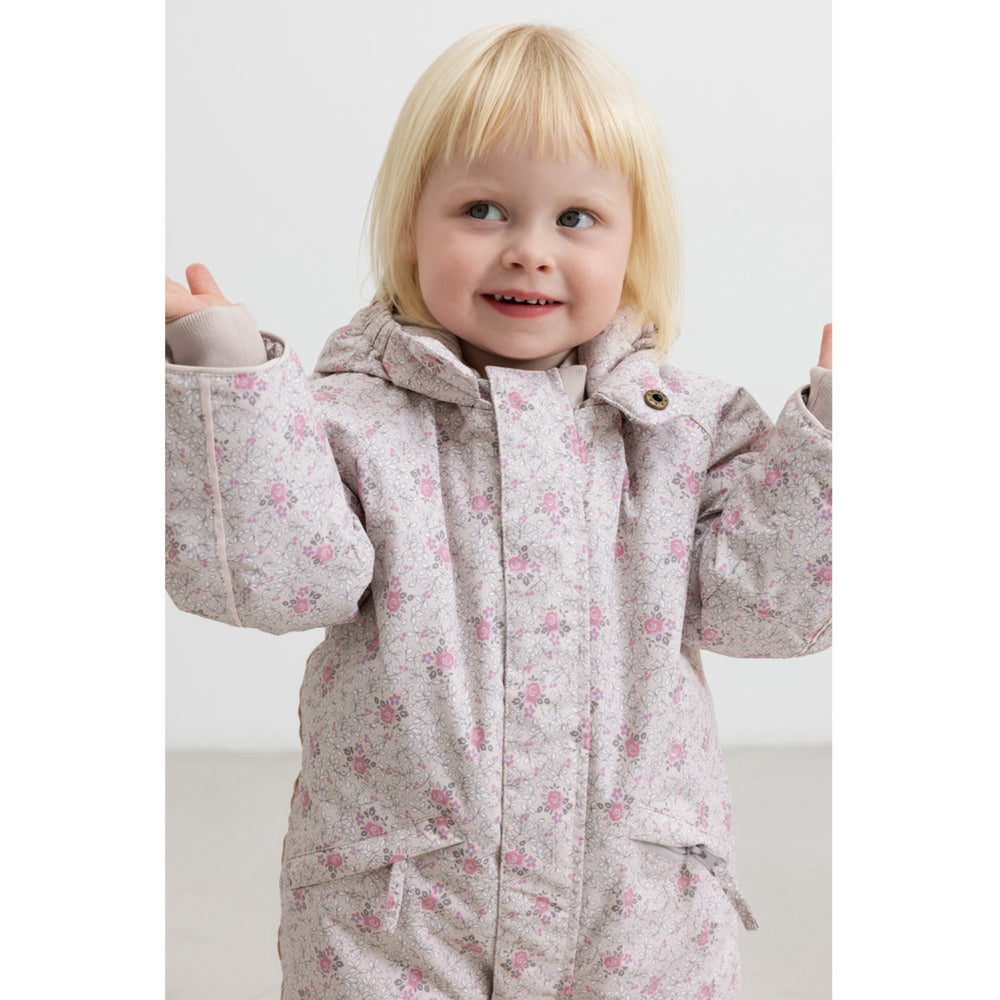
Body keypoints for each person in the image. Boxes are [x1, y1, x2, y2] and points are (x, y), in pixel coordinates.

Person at [165, 23, 831, 1000]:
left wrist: (837, 435)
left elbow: (772, 608)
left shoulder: (682, 430)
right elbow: (278, 580)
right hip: (402, 913)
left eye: (576, 217)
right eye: (482, 209)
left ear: (634, 244)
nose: (528, 250)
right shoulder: (352, 421)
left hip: (637, 913)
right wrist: (226, 385)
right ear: (410, 229)